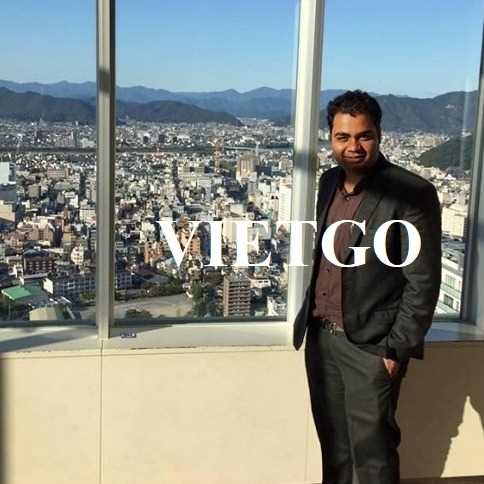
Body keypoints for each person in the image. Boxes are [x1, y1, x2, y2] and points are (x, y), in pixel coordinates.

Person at [292, 90, 442, 484]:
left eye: (364, 136)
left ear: (379, 134)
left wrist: (395, 350)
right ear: (330, 137)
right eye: (343, 137)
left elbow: (423, 280)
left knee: (373, 453)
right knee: (334, 448)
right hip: (321, 337)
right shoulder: (329, 181)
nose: (353, 147)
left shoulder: (411, 192)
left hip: (371, 345)